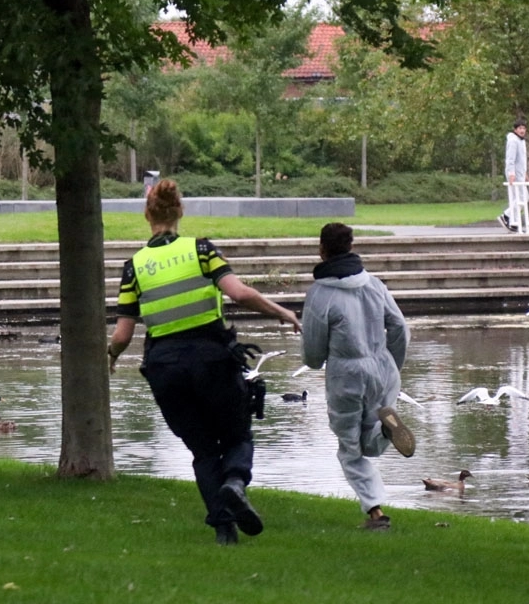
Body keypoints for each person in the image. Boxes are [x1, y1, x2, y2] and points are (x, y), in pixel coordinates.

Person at [107, 179, 302, 546]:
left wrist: (111, 359)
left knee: (202, 450)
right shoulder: (201, 250)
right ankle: (234, 482)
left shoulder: (134, 267)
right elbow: (239, 293)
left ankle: (224, 530)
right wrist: (281, 312)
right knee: (237, 434)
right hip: (212, 359)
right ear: (180, 211)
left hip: (165, 368)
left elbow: (121, 335)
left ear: (147, 215)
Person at [301, 222, 414, 531]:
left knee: (350, 449)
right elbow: (400, 328)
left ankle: (376, 513)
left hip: (347, 377)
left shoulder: (320, 295)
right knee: (371, 440)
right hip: (382, 369)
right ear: (351, 248)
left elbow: (312, 355)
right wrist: (393, 364)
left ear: (322, 250)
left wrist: (317, 361)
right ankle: (386, 429)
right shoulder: (374, 284)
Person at [500, 117, 528, 232]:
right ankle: (507, 216)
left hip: (520, 174)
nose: (522, 130)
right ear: (515, 129)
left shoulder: (521, 141)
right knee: (522, 197)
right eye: (520, 128)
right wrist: (511, 173)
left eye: (524, 128)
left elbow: (521, 160)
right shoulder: (513, 141)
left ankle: (513, 221)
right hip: (514, 175)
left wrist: (525, 173)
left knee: (520, 198)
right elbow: (510, 159)